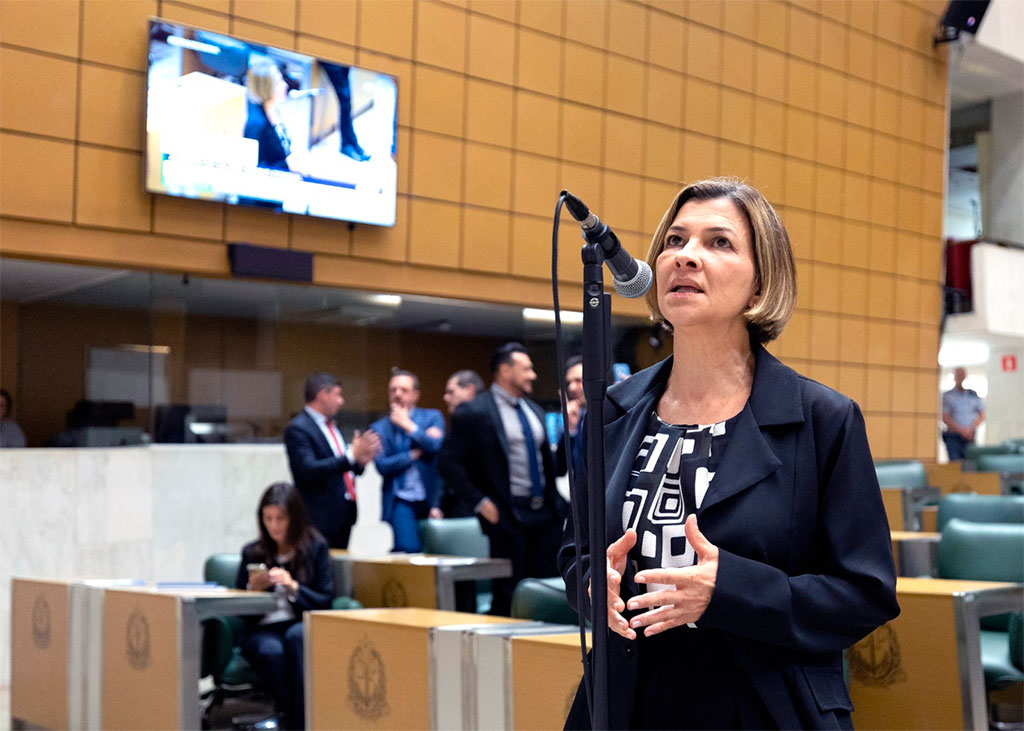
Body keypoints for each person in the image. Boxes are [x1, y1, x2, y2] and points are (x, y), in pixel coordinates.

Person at [558, 178, 899, 729]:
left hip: (763, 705)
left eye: (718, 243)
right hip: (625, 702)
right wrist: (596, 585)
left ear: (761, 283)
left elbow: (864, 594)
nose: (685, 256)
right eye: (674, 240)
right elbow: (576, 553)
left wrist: (732, 591)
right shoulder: (612, 410)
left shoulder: (823, 418)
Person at [438, 342, 565, 617]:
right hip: (507, 517)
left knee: (545, 590)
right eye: (527, 369)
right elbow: (448, 463)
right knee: (509, 594)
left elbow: (550, 464)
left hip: (544, 515)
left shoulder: (535, 411)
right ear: (505, 371)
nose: (533, 375)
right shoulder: (474, 412)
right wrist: (480, 502)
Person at [235, 482, 333, 730]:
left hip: (298, 623)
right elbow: (238, 608)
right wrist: (252, 592)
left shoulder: (316, 548)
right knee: (271, 651)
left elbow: (326, 599)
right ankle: (289, 717)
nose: (274, 526)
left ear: (294, 517)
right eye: (268, 519)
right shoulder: (251, 553)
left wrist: (294, 588)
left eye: (280, 518)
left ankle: (299, 721)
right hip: (263, 628)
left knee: (296, 638)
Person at [284, 372, 380, 549]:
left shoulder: (332, 426)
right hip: (317, 516)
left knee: (338, 569)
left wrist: (360, 461)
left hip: (343, 514)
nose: (341, 401)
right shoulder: (298, 428)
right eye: (337, 394)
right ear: (322, 394)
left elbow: (341, 466)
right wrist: (351, 456)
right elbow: (308, 469)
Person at [370, 369, 445, 552]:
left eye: (403, 390)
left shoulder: (432, 417)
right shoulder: (379, 428)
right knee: (409, 548)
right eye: (393, 390)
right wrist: (414, 453)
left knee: (437, 551)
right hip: (400, 497)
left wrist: (409, 426)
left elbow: (435, 446)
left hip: (430, 496)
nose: (397, 394)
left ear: (415, 394)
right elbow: (382, 465)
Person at [440, 369, 486, 519]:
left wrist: (480, 503)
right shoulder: (458, 425)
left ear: (469, 391)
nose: (446, 397)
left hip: (480, 508)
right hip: (458, 506)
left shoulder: (487, 423)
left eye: (451, 392)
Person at [243, 55, 295, 171]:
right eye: (278, 83)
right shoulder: (256, 126)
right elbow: (256, 168)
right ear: (265, 89)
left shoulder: (273, 108)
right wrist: (288, 165)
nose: (285, 85)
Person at [942, 366, 985, 460]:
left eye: (962, 375)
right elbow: (945, 416)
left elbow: (982, 414)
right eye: (958, 375)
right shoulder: (948, 396)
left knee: (971, 465)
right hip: (953, 437)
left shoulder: (972, 395)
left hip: (970, 436)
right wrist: (961, 430)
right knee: (956, 465)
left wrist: (971, 428)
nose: (960, 377)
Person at [556, 355, 585, 478]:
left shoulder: (612, 414)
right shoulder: (575, 417)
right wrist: (571, 430)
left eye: (578, 381)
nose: (571, 388)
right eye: (569, 383)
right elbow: (560, 469)